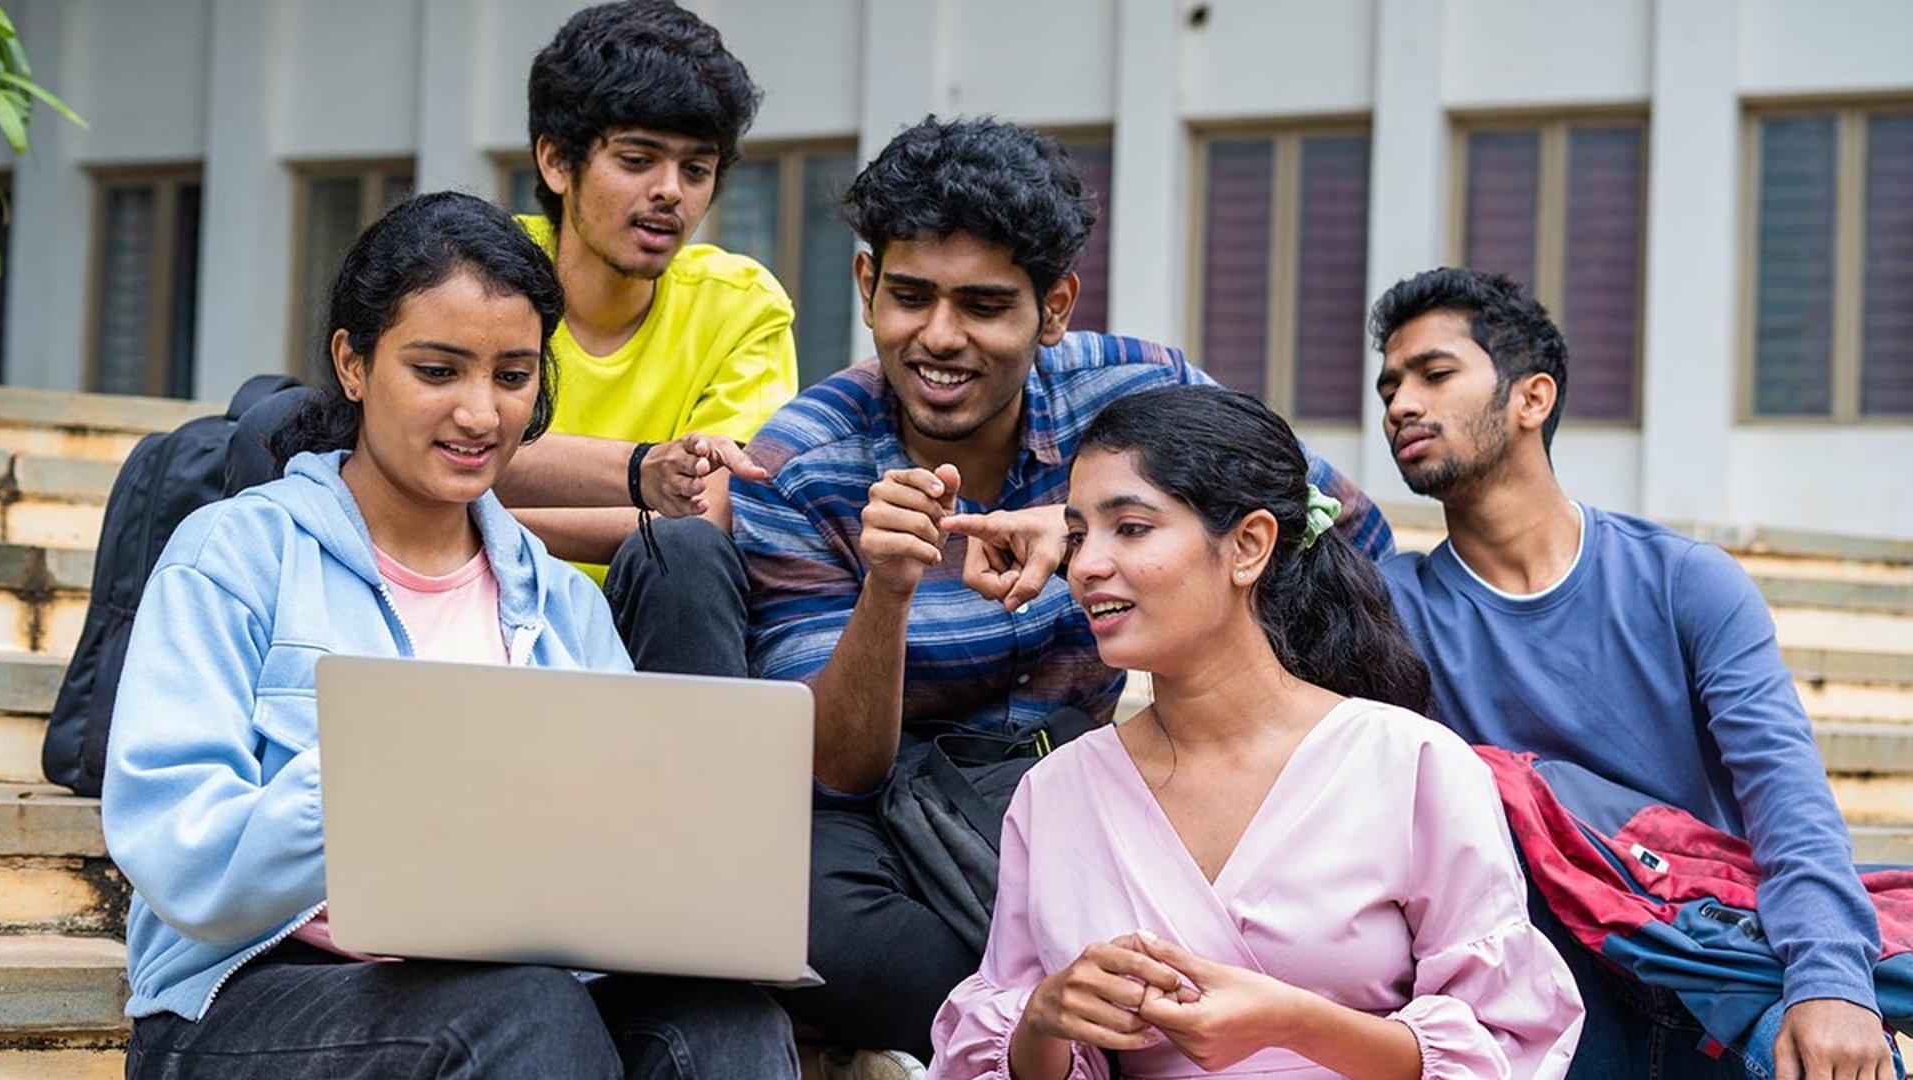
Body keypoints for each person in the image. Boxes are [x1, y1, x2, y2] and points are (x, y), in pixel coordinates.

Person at [730, 116, 1392, 1062]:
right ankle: (1046, 1030)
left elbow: (1332, 523)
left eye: (985, 305)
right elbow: (836, 769)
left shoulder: (1135, 393)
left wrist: (1093, 526)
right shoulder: (801, 464)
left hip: (1100, 770)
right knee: (819, 929)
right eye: (910, 297)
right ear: (867, 284)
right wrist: (888, 593)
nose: (940, 338)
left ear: (1054, 307)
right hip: (890, 809)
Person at [101, 192, 796, 1079]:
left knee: (726, 1023)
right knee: (524, 1015)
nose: (480, 414)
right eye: (438, 371)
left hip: (503, 989)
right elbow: (184, 860)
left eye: (512, 376)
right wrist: (385, 768)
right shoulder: (235, 555)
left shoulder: (560, 603)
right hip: (243, 995)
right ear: (352, 364)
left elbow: (607, 874)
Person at [927, 385, 1583, 1078]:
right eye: (1080, 534)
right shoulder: (1055, 792)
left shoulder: (1413, 764)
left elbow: (1509, 1047)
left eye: (1132, 528)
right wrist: (1045, 1020)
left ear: (1248, 546)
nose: (1085, 565)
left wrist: (1293, 1023)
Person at [1369, 267, 1893, 1079]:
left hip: (1702, 959)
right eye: (1390, 386)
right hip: (1533, 998)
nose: (1401, 404)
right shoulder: (1391, 612)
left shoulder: (1685, 581)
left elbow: (1788, 801)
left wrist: (1832, 982)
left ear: (1531, 400)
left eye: (1435, 375)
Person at [495, 0, 798, 677]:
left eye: (696, 170)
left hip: (640, 631)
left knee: (684, 555)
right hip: (465, 600)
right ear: (555, 161)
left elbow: (702, 519)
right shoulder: (479, 274)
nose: (671, 193)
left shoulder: (740, 307)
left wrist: (472, 518)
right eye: (637, 160)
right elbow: (397, 449)